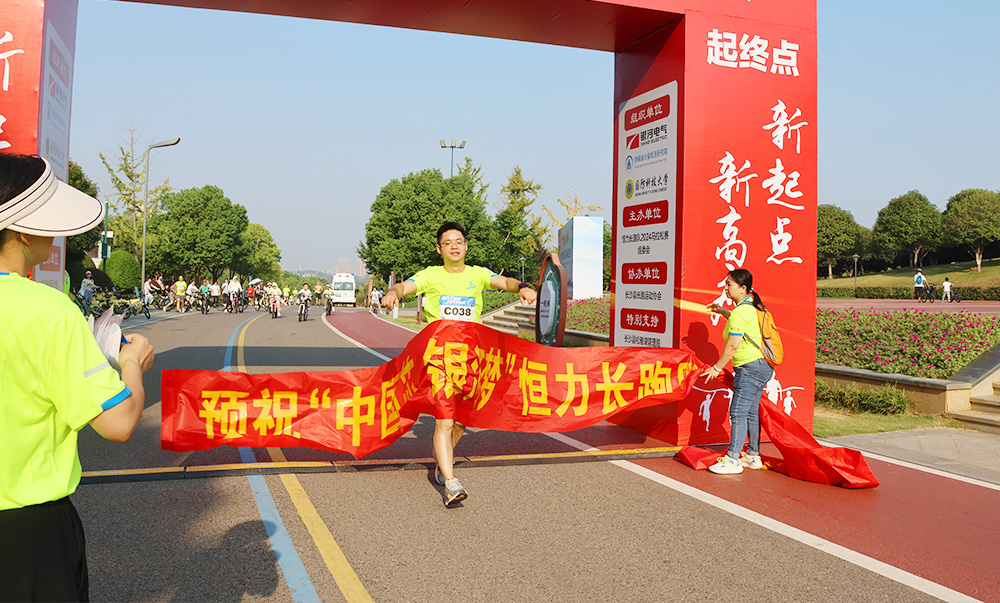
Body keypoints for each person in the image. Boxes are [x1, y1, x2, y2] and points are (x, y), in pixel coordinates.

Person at [0, 153, 156, 601]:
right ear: (23, 231)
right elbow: (118, 423)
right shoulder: (48, 310)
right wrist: (132, 364)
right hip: (27, 534)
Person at [381, 221, 537, 506]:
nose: (454, 246)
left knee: (462, 419)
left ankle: (442, 461)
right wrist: (394, 293)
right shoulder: (431, 275)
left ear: (466, 246)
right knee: (444, 418)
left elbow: (505, 282)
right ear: (439, 249)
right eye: (447, 242)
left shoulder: (477, 274)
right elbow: (405, 286)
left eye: (458, 241)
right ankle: (451, 483)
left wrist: (522, 288)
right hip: (440, 358)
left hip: (470, 358)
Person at [701, 268, 774, 475]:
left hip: (749, 368)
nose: (725, 288)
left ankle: (732, 459)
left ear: (742, 288)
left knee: (738, 412)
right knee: (750, 411)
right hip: (761, 366)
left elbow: (732, 345)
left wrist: (716, 368)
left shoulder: (742, 311)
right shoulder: (751, 306)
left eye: (729, 284)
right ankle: (753, 456)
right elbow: (740, 322)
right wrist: (723, 312)